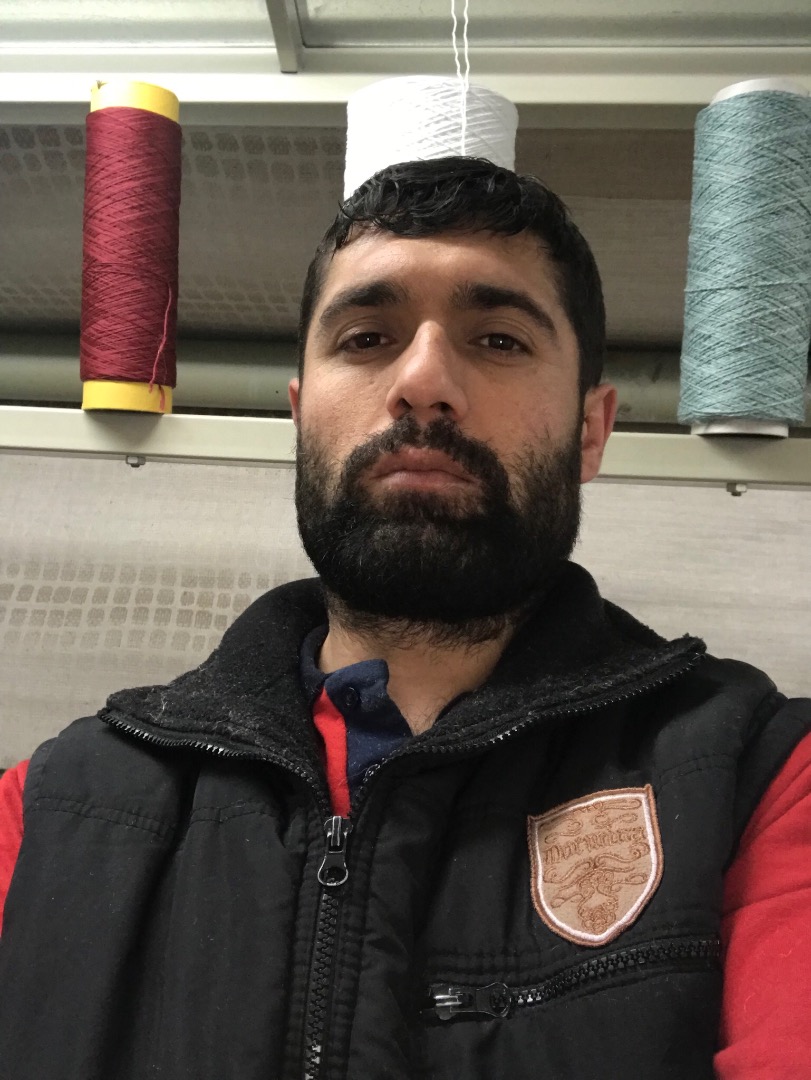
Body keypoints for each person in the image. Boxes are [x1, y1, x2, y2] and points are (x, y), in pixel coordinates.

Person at [1, 156, 810, 1079]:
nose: (423, 381)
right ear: (301, 415)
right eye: (366, 338)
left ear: (590, 429)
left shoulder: (762, 778)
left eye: (498, 339)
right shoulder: (49, 805)